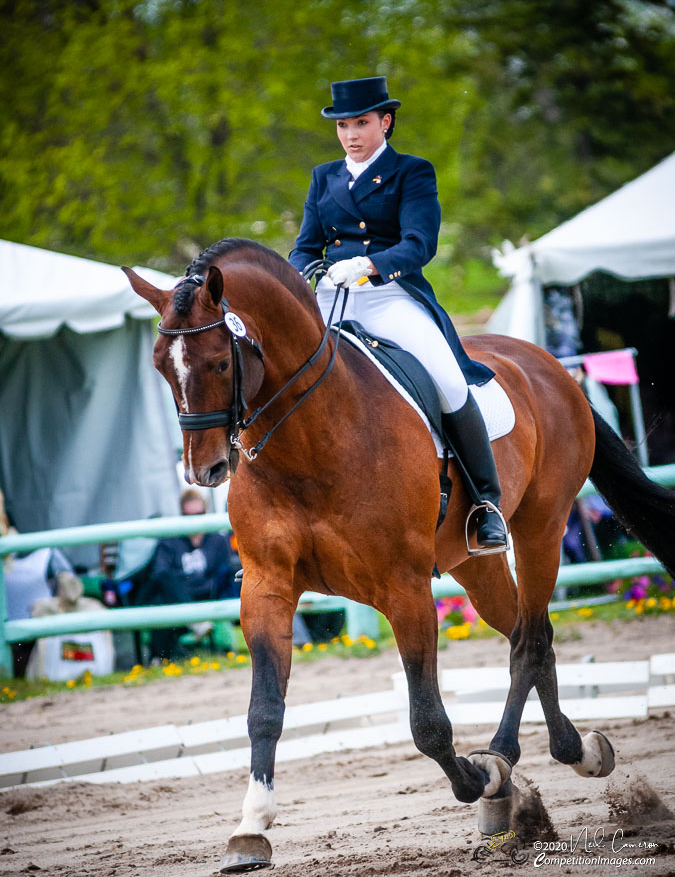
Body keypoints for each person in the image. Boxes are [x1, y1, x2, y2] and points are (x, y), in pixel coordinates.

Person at [289, 76, 506, 549]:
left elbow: (419, 244)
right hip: (331, 294)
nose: (351, 134)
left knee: (448, 380)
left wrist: (368, 265)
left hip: (390, 294)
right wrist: (308, 274)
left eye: (361, 123)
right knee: (276, 372)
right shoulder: (323, 176)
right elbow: (303, 247)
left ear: (385, 122)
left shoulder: (413, 171)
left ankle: (488, 504)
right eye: (343, 125)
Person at [136, 489, 240, 661]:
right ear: (182, 515)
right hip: (176, 598)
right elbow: (160, 574)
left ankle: (159, 658)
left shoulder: (217, 540)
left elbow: (222, 575)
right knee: (164, 590)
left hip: (205, 597)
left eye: (199, 514)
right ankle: (193, 627)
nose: (194, 520)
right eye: (188, 515)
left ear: (205, 513)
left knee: (165, 599)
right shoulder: (170, 541)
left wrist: (192, 585)